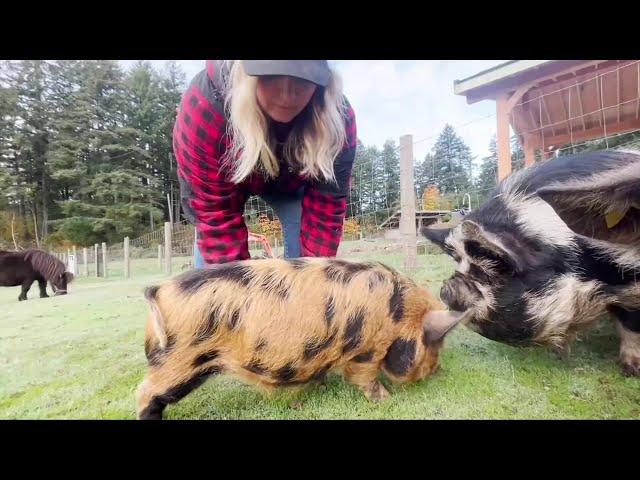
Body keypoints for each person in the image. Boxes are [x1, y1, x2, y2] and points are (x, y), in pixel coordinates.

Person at [173, 60, 357, 267]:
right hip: (227, 180)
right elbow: (214, 216)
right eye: (271, 76)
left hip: (293, 182)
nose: (287, 94)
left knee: (309, 265)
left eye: (304, 78)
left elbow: (325, 210)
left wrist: (311, 282)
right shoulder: (204, 106)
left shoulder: (336, 119)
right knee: (215, 273)